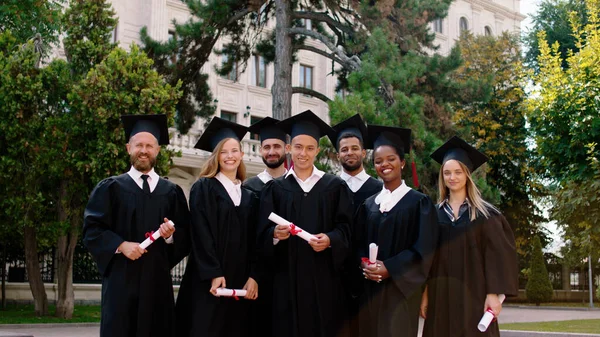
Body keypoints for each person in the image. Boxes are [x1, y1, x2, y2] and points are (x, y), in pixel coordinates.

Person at [83, 114, 190, 337]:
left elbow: (186, 236)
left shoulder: (171, 192)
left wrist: (171, 236)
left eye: (149, 145)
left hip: (157, 284)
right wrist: (121, 245)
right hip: (121, 284)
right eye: (138, 145)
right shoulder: (110, 188)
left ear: (158, 150)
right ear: (128, 148)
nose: (144, 150)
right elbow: (92, 230)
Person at [257, 110, 355, 337]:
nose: (303, 153)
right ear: (289, 149)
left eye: (310, 148)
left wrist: (331, 239)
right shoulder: (275, 189)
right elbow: (260, 232)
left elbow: (347, 228)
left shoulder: (334, 187)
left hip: (324, 282)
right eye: (298, 147)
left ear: (317, 151)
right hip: (285, 281)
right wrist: (274, 234)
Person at [421, 136, 518, 337]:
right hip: (441, 297)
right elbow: (428, 259)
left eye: (458, 172)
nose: (452, 177)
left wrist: (493, 295)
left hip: (475, 297)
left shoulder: (486, 215)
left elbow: (498, 257)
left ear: (467, 175)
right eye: (447, 173)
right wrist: (425, 294)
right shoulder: (433, 214)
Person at [176, 117, 260, 337]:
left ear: (242, 154)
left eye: (234, 151)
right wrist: (213, 272)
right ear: (216, 156)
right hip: (209, 280)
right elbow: (200, 232)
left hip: (241, 280)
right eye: (224, 151)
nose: (230, 156)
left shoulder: (251, 197)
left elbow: (256, 241)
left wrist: (254, 276)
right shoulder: (203, 187)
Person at [354, 125, 438, 337]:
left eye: (390, 159)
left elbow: (424, 249)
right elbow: (357, 243)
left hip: (401, 293)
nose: (384, 165)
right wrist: (365, 264)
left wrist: (389, 267)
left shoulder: (419, 203)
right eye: (378, 161)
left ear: (402, 162)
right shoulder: (369, 205)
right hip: (370, 292)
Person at [330, 114, 383, 211]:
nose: (349, 153)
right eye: (344, 149)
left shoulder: (379, 189)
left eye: (354, 148)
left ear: (363, 153)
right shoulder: (330, 189)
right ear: (338, 156)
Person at [243, 116, 289, 194]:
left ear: (287, 149)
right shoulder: (249, 187)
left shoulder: (296, 186)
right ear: (260, 150)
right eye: (267, 147)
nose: (271, 152)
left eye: (277, 146)